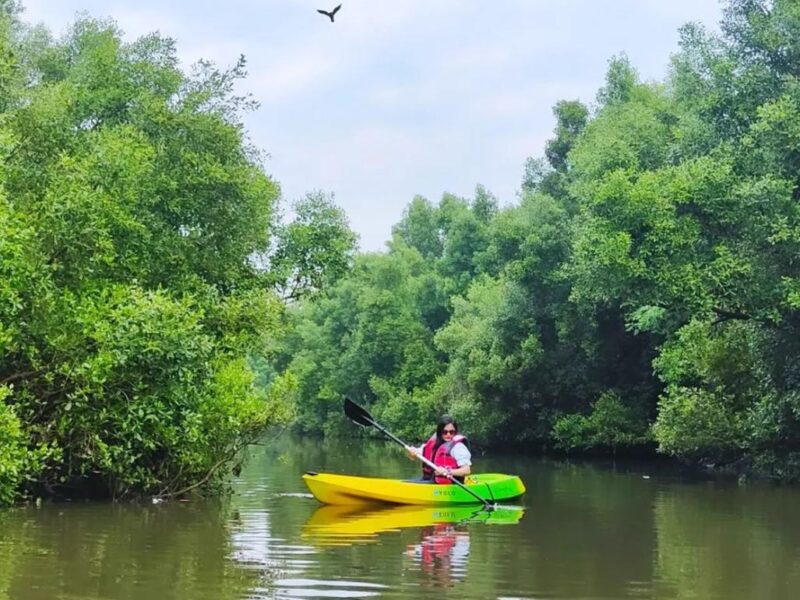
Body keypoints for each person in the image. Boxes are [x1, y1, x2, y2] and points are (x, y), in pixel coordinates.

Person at [406, 416, 471, 483]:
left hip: (451, 485)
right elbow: (413, 457)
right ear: (440, 432)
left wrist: (447, 471)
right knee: (406, 482)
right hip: (430, 480)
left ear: (455, 432)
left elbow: (466, 470)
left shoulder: (458, 447)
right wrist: (412, 453)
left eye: (451, 432)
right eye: (445, 432)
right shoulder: (433, 444)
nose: (448, 434)